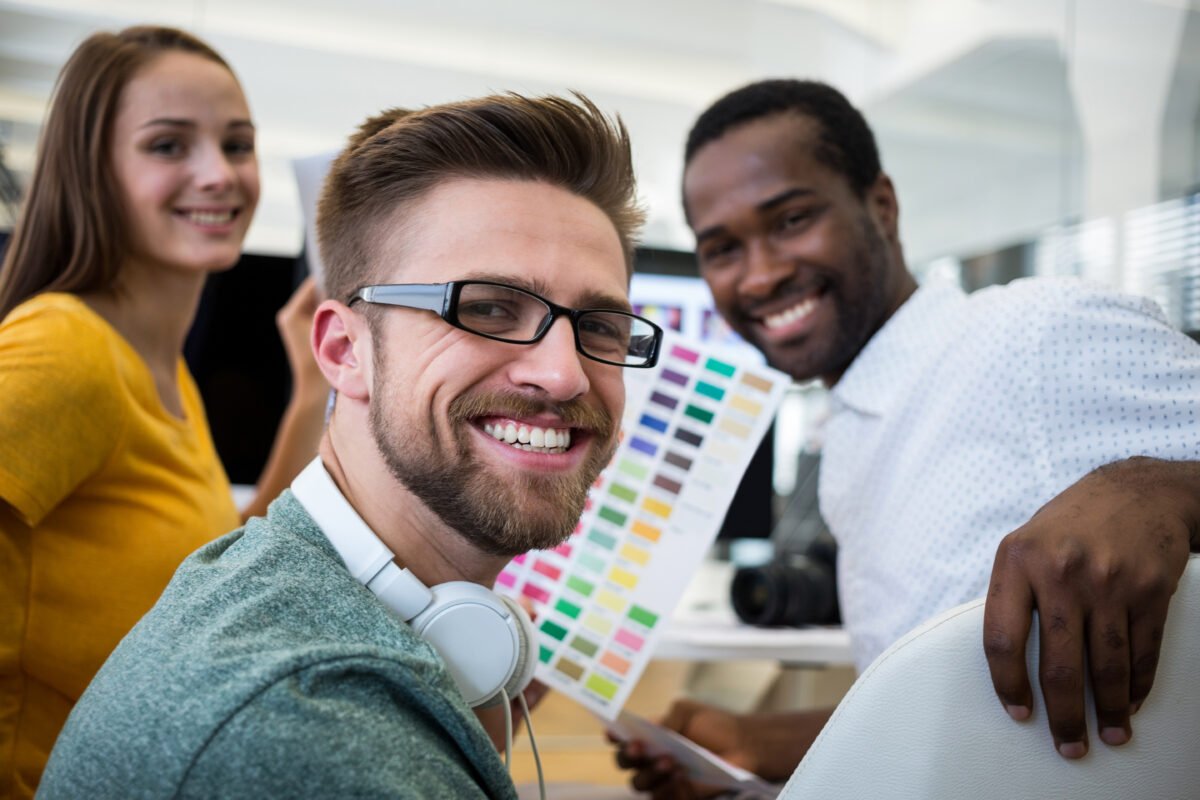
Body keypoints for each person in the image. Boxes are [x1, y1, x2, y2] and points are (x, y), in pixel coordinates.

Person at [37, 92, 663, 798]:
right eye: (487, 306)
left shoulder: (283, 591)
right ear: (343, 349)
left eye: (603, 326)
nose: (563, 372)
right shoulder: (305, 730)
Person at [615, 78, 1200, 796]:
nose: (761, 274)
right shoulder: (854, 436)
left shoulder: (1030, 334)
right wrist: (749, 748)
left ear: (881, 207)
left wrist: (1162, 488)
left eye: (792, 219)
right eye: (722, 248)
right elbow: (950, 707)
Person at [0, 26, 327, 797]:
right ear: (95, 173)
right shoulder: (67, 350)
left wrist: (312, 391)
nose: (219, 174)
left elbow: (211, 581)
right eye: (169, 146)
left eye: (236, 144)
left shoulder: (161, 367)